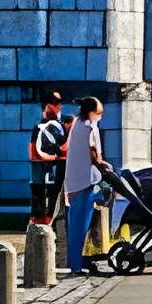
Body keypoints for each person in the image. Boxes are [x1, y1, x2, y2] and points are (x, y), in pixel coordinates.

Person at [62, 96, 107, 276]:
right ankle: (78, 265)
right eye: (99, 113)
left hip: (73, 181)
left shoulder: (76, 124)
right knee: (81, 225)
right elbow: (93, 152)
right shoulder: (90, 127)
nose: (101, 116)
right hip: (86, 181)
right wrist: (103, 164)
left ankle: (77, 262)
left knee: (76, 226)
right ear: (91, 113)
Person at [25, 90, 68, 228]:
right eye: (57, 103)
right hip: (43, 180)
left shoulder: (59, 126)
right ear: (49, 105)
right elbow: (33, 153)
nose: (60, 106)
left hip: (56, 181)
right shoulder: (40, 128)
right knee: (42, 216)